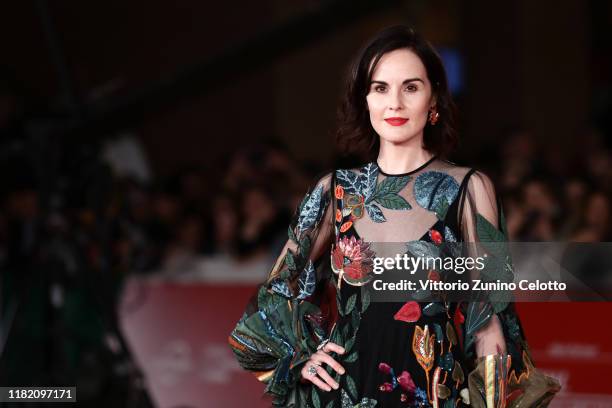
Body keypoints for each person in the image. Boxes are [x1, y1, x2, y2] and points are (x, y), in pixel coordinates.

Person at [229, 25, 561, 407]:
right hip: (343, 395)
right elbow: (278, 288)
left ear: (434, 97)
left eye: (411, 87)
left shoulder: (469, 190)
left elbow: (488, 323)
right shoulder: (334, 192)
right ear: (364, 99)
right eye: (380, 87)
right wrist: (299, 357)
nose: (395, 103)